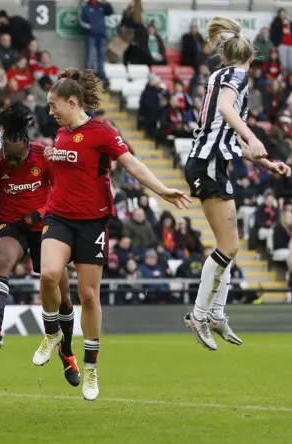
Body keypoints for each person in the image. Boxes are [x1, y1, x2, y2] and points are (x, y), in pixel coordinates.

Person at [35, 68, 192, 401]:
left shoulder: (102, 132)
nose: (50, 112)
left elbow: (132, 163)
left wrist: (162, 190)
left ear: (71, 101)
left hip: (92, 222)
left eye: (53, 105)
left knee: (89, 297)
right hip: (59, 216)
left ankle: (91, 367)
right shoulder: (61, 134)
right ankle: (52, 334)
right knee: (49, 273)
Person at [183, 17, 291, 350]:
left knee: (229, 247)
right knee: (228, 247)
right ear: (251, 57)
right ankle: (200, 316)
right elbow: (228, 111)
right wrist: (252, 134)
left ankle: (215, 314)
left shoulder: (220, 74)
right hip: (208, 164)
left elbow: (226, 133)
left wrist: (265, 161)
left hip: (212, 161)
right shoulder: (237, 76)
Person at [0, 102, 80, 387]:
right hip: (12, 224)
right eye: (6, 157)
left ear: (25, 146)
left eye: (16, 158)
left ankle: (67, 350)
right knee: (2, 259)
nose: (11, 163)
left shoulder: (41, 155)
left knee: (63, 296)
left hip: (47, 225)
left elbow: (61, 190)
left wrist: (42, 212)